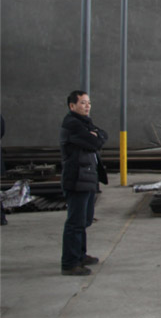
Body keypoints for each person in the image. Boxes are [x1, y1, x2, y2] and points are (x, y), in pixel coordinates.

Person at [60, 90, 108, 276]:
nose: (87, 106)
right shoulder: (72, 124)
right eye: (82, 103)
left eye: (88, 102)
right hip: (76, 179)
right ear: (72, 106)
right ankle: (70, 263)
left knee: (84, 220)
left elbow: (103, 135)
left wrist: (96, 135)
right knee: (75, 223)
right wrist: (94, 136)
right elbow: (95, 143)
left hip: (87, 178)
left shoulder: (85, 123)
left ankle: (80, 255)